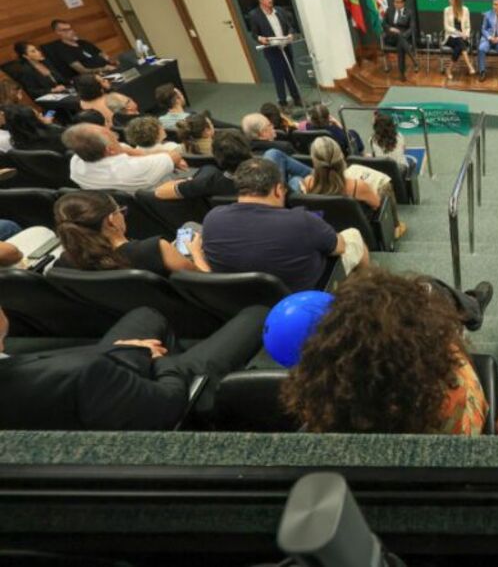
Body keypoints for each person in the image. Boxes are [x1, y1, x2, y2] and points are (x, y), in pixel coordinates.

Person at [281, 268, 487, 435]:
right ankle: (471, 306)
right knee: (431, 288)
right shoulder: (453, 385)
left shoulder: (322, 403)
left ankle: (470, 306)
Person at [0, 304, 268, 430]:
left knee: (146, 316)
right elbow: (169, 403)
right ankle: (203, 405)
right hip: (166, 396)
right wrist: (159, 360)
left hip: (101, 387)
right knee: (256, 314)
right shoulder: (86, 373)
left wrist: (118, 349)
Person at [200, 158, 369, 288]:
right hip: (311, 295)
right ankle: (366, 290)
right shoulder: (302, 221)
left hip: (248, 303)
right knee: (353, 236)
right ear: (278, 189)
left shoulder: (211, 219)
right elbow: (339, 247)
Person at [52, 190, 205, 275]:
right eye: (120, 210)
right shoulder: (153, 249)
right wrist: (196, 253)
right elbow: (203, 282)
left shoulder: (64, 263)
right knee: (191, 228)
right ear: (111, 220)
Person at [62, 123, 180, 193]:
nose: (116, 137)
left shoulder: (75, 163)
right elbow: (175, 155)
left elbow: (121, 148)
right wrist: (137, 153)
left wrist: (122, 150)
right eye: (113, 136)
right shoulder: (136, 168)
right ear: (110, 150)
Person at [155, 130, 251, 201]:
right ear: (248, 149)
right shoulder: (260, 176)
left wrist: (189, 180)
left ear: (216, 156)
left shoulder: (206, 183)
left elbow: (159, 191)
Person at [248, 0, 302, 107]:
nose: (270, 0)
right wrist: (260, 39)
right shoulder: (255, 15)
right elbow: (254, 34)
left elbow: (290, 27)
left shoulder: (279, 11)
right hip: (272, 51)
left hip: (286, 47)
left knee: (290, 74)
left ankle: (297, 98)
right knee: (279, 77)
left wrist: (291, 34)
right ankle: (282, 103)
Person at [300, 136, 381, 212]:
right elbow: (377, 205)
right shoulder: (358, 186)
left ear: (314, 162)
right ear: (341, 157)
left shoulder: (308, 183)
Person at [47, 19, 117, 80]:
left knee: (123, 58)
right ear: (58, 32)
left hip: (109, 69)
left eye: (70, 28)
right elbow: (82, 70)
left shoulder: (83, 42)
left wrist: (109, 60)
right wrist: (104, 69)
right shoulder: (63, 50)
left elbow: (101, 54)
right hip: (94, 76)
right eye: (66, 30)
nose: (71, 31)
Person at [381, 0, 418, 81]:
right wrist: (390, 28)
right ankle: (413, 59)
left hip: (403, 38)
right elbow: (383, 23)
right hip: (391, 38)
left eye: (398, 2)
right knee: (399, 38)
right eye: (394, 1)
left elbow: (412, 28)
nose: (395, 4)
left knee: (400, 43)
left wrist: (403, 35)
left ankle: (402, 74)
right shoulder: (389, 10)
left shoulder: (409, 12)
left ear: (403, 2)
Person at [442, 0, 474, 81]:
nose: (449, 0)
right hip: (450, 37)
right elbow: (446, 27)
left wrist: (466, 34)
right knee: (460, 42)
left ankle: (449, 70)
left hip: (463, 38)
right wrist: (458, 33)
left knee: (459, 45)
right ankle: (469, 65)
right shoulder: (446, 10)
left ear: (457, 0)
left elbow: (468, 26)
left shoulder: (465, 10)